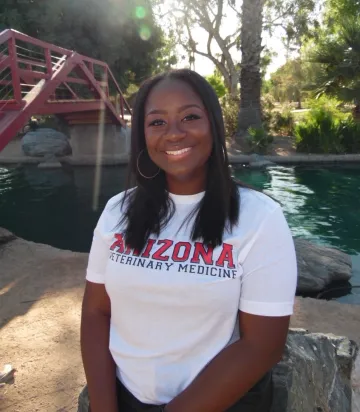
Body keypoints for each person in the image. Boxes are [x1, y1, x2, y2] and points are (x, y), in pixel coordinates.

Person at [80, 69, 298, 412]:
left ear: (213, 124)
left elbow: (262, 346)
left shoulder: (259, 218)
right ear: (142, 134)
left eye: (190, 117)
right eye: (157, 122)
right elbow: (95, 312)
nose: (174, 133)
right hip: (124, 398)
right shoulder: (116, 211)